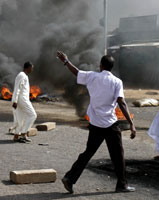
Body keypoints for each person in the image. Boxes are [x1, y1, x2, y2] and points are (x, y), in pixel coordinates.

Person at [56, 51, 136, 193]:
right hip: (111, 124)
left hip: (95, 124)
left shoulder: (92, 77)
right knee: (118, 156)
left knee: (88, 153)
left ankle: (70, 178)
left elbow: (77, 72)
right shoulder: (117, 82)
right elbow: (121, 102)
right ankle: (122, 184)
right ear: (111, 67)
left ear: (101, 66)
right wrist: (131, 123)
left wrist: (66, 61)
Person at [11, 61, 37, 143]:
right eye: (32, 68)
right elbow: (17, 89)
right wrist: (14, 101)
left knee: (20, 119)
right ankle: (23, 134)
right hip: (22, 99)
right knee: (33, 115)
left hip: (21, 99)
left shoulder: (23, 75)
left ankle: (16, 136)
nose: (32, 69)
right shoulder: (22, 75)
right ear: (28, 67)